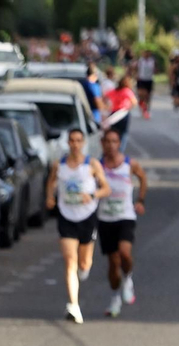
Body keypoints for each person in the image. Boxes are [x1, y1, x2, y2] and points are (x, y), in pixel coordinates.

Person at [45, 128, 111, 325]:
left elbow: (106, 188)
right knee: (70, 261)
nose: (75, 144)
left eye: (78, 140)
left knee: (84, 263)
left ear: (83, 143)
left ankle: (83, 270)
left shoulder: (92, 164)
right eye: (72, 140)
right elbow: (51, 183)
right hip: (66, 217)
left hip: (87, 217)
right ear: (68, 143)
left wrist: (92, 195)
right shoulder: (59, 165)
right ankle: (73, 305)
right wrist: (50, 197)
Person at [97, 129, 146, 318]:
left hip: (125, 216)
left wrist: (140, 200)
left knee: (125, 254)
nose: (111, 145)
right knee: (113, 262)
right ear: (102, 144)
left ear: (119, 143)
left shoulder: (129, 164)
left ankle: (128, 278)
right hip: (105, 218)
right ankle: (115, 296)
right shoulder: (97, 166)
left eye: (114, 141)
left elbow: (142, 178)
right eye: (107, 141)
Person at [103, 73, 137, 140]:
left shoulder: (114, 91)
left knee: (114, 131)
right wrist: (129, 107)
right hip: (123, 113)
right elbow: (134, 102)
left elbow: (104, 97)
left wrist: (107, 106)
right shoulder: (127, 91)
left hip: (114, 113)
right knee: (123, 133)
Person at [135, 49, 157, 119]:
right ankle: (142, 107)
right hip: (141, 79)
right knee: (141, 95)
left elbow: (155, 69)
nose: (147, 55)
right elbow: (135, 68)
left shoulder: (152, 61)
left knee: (147, 96)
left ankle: (146, 109)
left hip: (149, 80)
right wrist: (136, 75)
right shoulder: (140, 61)